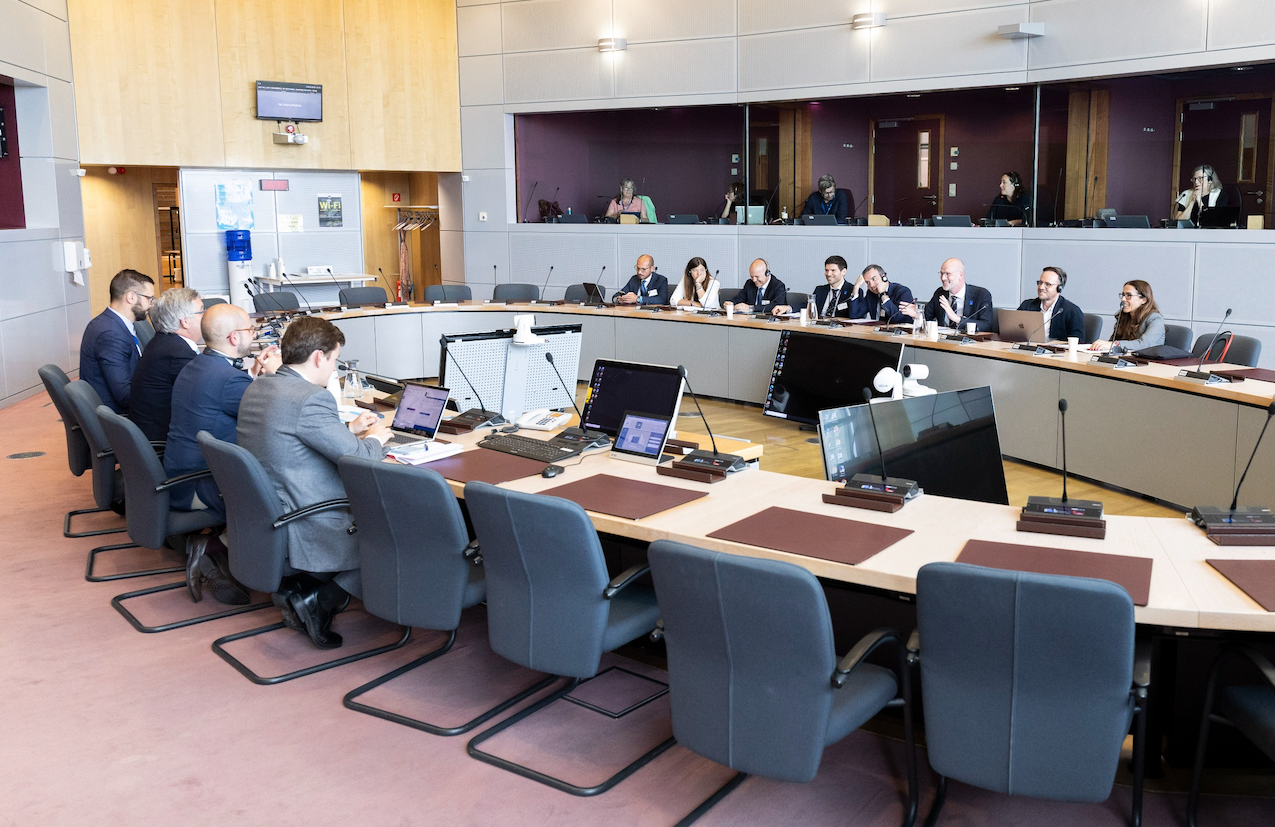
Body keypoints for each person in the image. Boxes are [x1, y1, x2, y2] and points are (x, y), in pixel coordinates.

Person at [237, 316, 390, 649]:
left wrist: (348, 431)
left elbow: (293, 438)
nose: (333, 369)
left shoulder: (259, 386)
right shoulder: (311, 398)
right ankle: (321, 599)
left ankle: (303, 589)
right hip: (309, 516)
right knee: (392, 529)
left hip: (271, 510)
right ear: (319, 357)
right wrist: (378, 438)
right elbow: (359, 458)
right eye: (334, 360)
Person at [164, 303, 279, 605]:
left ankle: (218, 550)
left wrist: (253, 374)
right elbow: (276, 416)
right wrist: (278, 376)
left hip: (179, 475)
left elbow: (229, 395)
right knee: (280, 494)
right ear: (233, 337)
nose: (254, 335)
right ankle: (217, 548)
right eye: (250, 330)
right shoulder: (229, 380)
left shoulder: (198, 365)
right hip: (201, 484)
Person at [129, 288, 203, 442]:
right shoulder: (177, 353)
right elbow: (208, 392)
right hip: (165, 439)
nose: (206, 316)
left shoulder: (164, 342)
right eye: (202, 311)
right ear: (185, 321)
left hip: (154, 429)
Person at [79, 269, 155, 413]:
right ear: (131, 297)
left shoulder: (110, 323)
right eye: (149, 298)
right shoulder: (110, 334)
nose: (151, 305)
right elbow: (125, 395)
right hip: (117, 416)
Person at [903, 257, 994, 332]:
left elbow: (986, 325)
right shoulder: (940, 293)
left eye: (947, 274)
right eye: (942, 273)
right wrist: (917, 315)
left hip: (969, 343)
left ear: (960, 275)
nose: (943, 278)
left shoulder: (981, 294)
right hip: (942, 343)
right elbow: (927, 317)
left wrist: (957, 318)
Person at [1091, 280, 1165, 353]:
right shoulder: (1124, 316)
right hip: (1124, 358)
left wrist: (1115, 344)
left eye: (1129, 295)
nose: (1123, 299)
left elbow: (1144, 344)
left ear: (1143, 300)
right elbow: (1112, 342)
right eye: (1123, 295)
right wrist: (1102, 346)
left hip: (1146, 360)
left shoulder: (1155, 319)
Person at [1016, 266, 1085, 342]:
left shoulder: (1072, 311)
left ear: (1059, 288)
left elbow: (1077, 342)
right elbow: (1013, 332)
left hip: (1055, 349)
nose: (1041, 287)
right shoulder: (1026, 306)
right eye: (1040, 282)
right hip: (1028, 348)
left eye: (1047, 284)